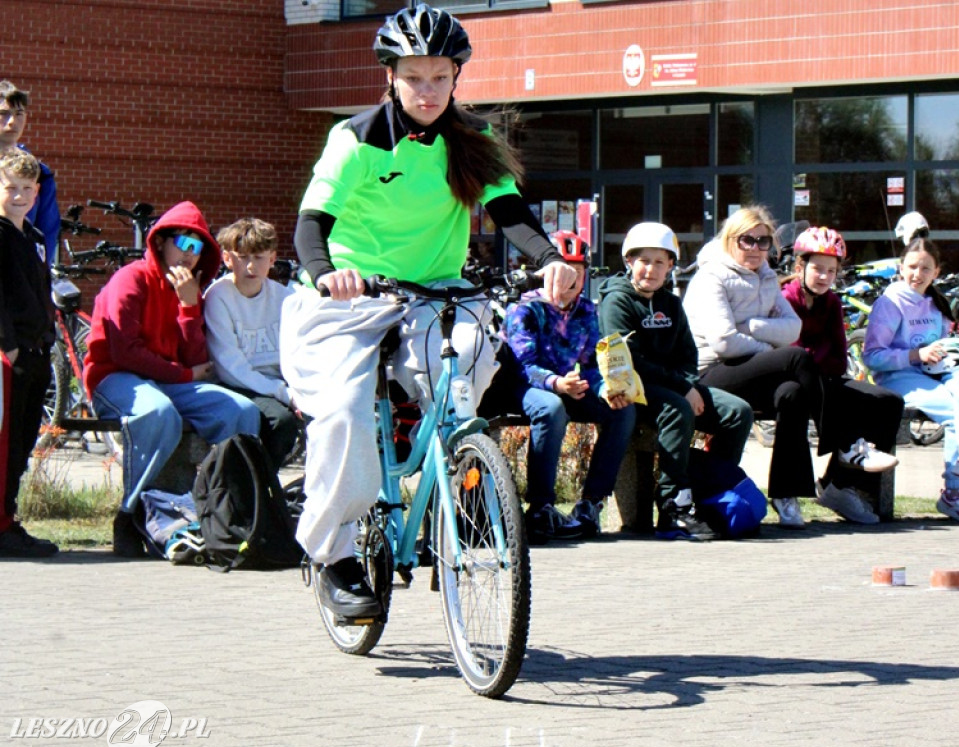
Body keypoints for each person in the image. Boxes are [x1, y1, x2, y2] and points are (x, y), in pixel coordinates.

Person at [279, 4, 578, 618]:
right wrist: (326, 272)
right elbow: (311, 224)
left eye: (440, 77)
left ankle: (456, 484)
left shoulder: (473, 140)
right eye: (414, 77)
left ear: (456, 77)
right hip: (351, 295)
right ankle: (334, 556)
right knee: (343, 413)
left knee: (468, 368)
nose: (428, 90)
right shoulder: (357, 139)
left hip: (435, 292)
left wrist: (549, 258)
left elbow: (510, 211)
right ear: (390, 76)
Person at [84, 201, 262, 556]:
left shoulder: (189, 289)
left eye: (198, 248)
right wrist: (182, 374)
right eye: (183, 243)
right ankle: (130, 514)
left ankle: (230, 513)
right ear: (161, 241)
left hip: (169, 382)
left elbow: (196, 360)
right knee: (158, 412)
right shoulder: (131, 279)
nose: (189, 255)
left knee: (241, 411)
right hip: (116, 378)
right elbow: (124, 351)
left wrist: (188, 307)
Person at [599, 222, 754, 541]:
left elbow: (687, 354)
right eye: (644, 261)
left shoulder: (670, 303)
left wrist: (691, 384)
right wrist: (683, 388)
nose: (651, 269)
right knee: (677, 409)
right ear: (629, 261)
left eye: (660, 262)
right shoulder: (617, 301)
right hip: (635, 388)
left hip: (674, 385)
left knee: (738, 412)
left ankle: (711, 492)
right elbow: (629, 359)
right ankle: (673, 506)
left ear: (670, 265)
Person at [683, 205, 820, 529]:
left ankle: (786, 494)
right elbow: (724, 342)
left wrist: (753, 327)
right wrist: (770, 349)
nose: (756, 248)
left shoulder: (767, 277)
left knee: (792, 393)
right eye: (748, 240)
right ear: (731, 240)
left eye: (763, 241)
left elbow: (793, 328)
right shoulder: (712, 276)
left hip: (746, 369)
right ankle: (840, 443)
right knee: (796, 359)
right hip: (707, 374)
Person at [503, 230, 635, 543]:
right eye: (564, 271)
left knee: (621, 409)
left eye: (578, 271)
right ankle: (540, 508)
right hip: (524, 387)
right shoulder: (525, 308)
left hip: (566, 385)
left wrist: (603, 389)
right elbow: (522, 366)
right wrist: (557, 383)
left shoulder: (586, 310)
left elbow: (591, 364)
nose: (571, 280)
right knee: (551, 408)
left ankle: (590, 505)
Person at [863, 237, 959, 524]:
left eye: (925, 268)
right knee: (957, 413)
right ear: (900, 268)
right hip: (897, 378)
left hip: (933, 375)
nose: (917, 274)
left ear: (937, 272)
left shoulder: (936, 304)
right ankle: (954, 495)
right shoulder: (890, 303)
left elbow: (941, 349)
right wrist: (916, 354)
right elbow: (872, 357)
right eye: (911, 267)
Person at [781, 226, 902, 524]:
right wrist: (816, 357)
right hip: (794, 383)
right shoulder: (786, 298)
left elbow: (840, 358)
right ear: (799, 267)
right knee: (818, 386)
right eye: (817, 268)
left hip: (826, 378)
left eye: (831, 271)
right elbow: (792, 355)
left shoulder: (832, 302)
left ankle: (840, 485)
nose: (824, 277)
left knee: (888, 402)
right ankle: (849, 448)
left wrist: (814, 358)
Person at [204, 218, 301, 471]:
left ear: (272, 258)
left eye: (258, 257)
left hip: (280, 384)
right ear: (227, 259)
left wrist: (301, 390)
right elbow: (230, 368)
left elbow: (301, 352)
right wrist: (284, 394)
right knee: (281, 422)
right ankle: (255, 486)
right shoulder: (218, 297)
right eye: (242, 257)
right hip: (237, 384)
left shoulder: (285, 298)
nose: (250, 266)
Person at [0, 148, 58, 557]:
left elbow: (41, 291)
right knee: (5, 444)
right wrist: (9, 346)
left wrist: (48, 336)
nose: (19, 196)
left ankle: (9, 517)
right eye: (10, 188)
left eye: (26, 188)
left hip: (37, 352)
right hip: (11, 355)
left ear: (37, 193)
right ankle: (2, 526)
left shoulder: (35, 238)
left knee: (22, 444)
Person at [0, 81, 60, 266]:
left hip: (21, 268)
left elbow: (47, 230)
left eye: (19, 114)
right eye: (3, 113)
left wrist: (39, 272)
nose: (12, 121)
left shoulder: (38, 172)